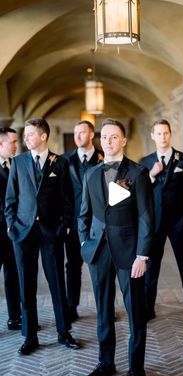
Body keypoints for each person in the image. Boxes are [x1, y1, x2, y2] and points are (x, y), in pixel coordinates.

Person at [78, 118, 153, 376]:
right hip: (98, 252)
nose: (108, 142)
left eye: (114, 137)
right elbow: (84, 214)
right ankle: (105, 362)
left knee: (135, 311)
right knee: (103, 311)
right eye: (105, 137)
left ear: (123, 141)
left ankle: (136, 368)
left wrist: (142, 256)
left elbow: (146, 217)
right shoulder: (91, 173)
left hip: (129, 252)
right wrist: (85, 243)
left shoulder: (137, 173)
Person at [5, 118, 80, 355]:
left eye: (29, 134)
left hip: (51, 232)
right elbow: (11, 199)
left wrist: (65, 227)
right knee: (26, 284)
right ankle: (30, 337)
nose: (25, 138)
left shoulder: (60, 163)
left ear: (43, 136)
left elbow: (69, 200)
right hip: (23, 232)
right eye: (24, 135)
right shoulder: (18, 163)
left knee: (57, 282)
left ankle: (64, 332)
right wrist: (11, 226)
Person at [140, 119, 183, 325]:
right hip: (154, 223)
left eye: (166, 133)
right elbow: (140, 191)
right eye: (159, 133)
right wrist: (152, 174)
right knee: (152, 268)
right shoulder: (145, 162)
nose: (163, 137)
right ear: (152, 136)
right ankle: (148, 309)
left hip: (178, 221)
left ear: (170, 134)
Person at [63, 120, 103, 322]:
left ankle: (105, 308)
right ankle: (71, 307)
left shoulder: (104, 159)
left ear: (91, 135)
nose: (77, 136)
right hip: (73, 224)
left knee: (102, 267)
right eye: (75, 132)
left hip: (98, 224)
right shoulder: (64, 161)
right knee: (73, 266)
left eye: (82, 132)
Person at [0, 127, 21, 330]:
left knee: (13, 275)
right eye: (13, 142)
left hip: (13, 231)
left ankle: (15, 318)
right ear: (1, 144)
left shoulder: (16, 164)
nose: (16, 145)